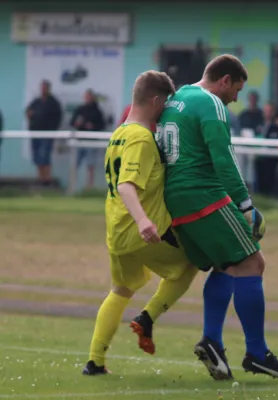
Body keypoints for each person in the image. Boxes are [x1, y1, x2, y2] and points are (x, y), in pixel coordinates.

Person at [157, 54, 278, 381]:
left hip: (175, 200)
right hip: (203, 196)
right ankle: (257, 353)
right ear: (224, 80)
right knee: (252, 263)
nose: (235, 98)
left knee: (226, 264)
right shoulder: (211, 103)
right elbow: (224, 161)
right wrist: (246, 205)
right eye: (236, 89)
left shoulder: (177, 98)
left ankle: (214, 343)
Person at [83, 71, 198, 376]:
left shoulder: (119, 133)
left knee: (121, 289)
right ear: (156, 100)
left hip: (117, 232)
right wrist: (144, 219)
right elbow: (125, 185)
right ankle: (147, 317)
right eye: (165, 104)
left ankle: (95, 361)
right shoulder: (141, 137)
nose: (166, 111)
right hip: (141, 231)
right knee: (192, 263)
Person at [25, 80, 62, 185]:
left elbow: (58, 117)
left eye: (45, 88)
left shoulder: (53, 103)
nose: (43, 89)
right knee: (37, 156)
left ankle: (47, 178)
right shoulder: (36, 102)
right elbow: (28, 111)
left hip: (47, 134)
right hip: (36, 133)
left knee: (45, 155)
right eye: (42, 87)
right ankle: (41, 178)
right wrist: (30, 115)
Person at [70, 89, 105, 189]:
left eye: (89, 96)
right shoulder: (80, 109)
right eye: (86, 96)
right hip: (79, 141)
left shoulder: (97, 111)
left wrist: (93, 126)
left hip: (91, 142)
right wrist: (78, 124)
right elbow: (72, 122)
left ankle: (90, 187)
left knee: (90, 165)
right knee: (74, 164)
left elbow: (102, 125)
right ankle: (72, 186)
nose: (88, 98)